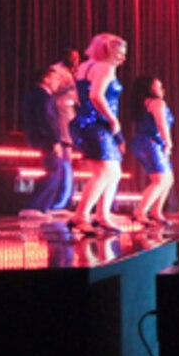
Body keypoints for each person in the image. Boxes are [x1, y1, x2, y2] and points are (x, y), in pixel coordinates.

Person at [69, 33, 132, 235]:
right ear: (107, 52)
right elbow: (95, 95)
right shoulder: (105, 67)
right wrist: (113, 119)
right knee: (105, 172)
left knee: (112, 172)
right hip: (98, 124)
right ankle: (81, 216)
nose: (122, 58)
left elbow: (79, 96)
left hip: (88, 122)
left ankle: (102, 215)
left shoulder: (85, 66)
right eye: (119, 53)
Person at [18, 60, 76, 220]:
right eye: (56, 78)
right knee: (53, 171)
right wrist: (55, 141)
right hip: (45, 139)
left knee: (55, 171)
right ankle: (35, 206)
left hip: (42, 137)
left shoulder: (37, 95)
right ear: (46, 78)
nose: (58, 82)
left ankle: (45, 206)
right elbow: (47, 120)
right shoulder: (42, 96)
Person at [126, 75, 175, 227]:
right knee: (160, 180)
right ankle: (140, 211)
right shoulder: (157, 103)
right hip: (151, 142)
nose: (162, 89)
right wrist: (169, 142)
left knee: (168, 179)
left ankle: (156, 212)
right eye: (157, 86)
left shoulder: (144, 103)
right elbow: (161, 124)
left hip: (146, 142)